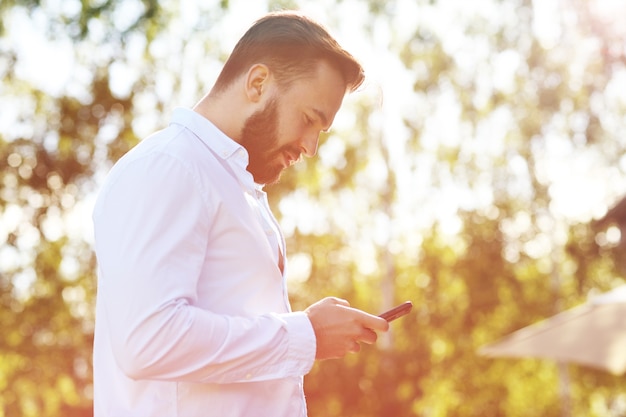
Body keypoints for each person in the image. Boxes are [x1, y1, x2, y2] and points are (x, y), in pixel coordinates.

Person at [92, 10, 389, 417]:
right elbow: (148, 340)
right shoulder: (170, 167)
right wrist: (306, 334)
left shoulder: (231, 187)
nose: (310, 148)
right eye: (308, 120)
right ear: (258, 82)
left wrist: (305, 336)